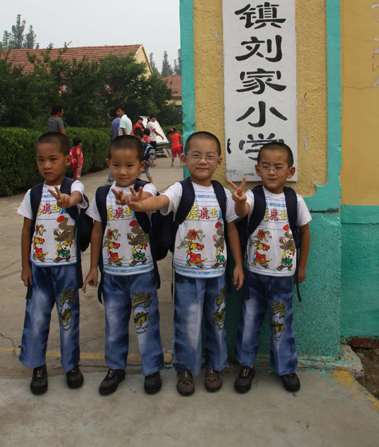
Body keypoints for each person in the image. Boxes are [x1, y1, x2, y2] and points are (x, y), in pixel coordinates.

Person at [128, 131, 244, 396]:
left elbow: (233, 227)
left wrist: (237, 264)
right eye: (196, 155)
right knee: (187, 323)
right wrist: (142, 204)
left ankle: (214, 366)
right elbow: (162, 201)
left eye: (209, 156)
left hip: (217, 272)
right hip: (186, 273)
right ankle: (186, 369)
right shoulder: (181, 189)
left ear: (219, 161)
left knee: (217, 321)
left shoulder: (222, 193)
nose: (202, 161)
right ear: (184, 158)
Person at [82, 135, 164, 396]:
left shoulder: (146, 190)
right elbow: (97, 231)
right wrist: (94, 267)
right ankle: (115, 367)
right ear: (109, 164)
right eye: (116, 165)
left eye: (129, 165)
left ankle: (151, 369)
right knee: (114, 321)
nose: (122, 171)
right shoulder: (103, 194)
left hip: (142, 272)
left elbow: (149, 200)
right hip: (113, 274)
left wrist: (134, 201)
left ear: (141, 165)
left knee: (146, 321)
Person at [228, 141, 311, 394]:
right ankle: (245, 366)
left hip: (284, 276)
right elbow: (243, 211)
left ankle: (285, 367)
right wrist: (240, 200)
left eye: (278, 167)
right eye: (266, 167)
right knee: (250, 320)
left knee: (281, 322)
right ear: (258, 170)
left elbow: (305, 233)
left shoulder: (295, 200)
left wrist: (302, 266)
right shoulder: (253, 196)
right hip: (255, 275)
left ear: (290, 171)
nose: (272, 172)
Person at [18, 132, 88, 394]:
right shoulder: (33, 194)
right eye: (40, 160)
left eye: (53, 159)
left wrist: (69, 200)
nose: (46, 165)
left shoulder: (73, 187)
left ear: (67, 160)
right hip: (38, 270)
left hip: (67, 269)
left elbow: (79, 195)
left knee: (68, 318)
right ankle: (38, 366)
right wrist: (25, 265)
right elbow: (26, 230)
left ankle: (71, 365)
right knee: (36, 318)